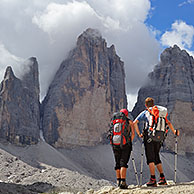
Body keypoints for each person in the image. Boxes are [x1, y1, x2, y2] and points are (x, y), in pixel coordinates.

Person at [133, 97, 180, 186]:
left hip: (149, 137)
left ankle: (153, 179)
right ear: (153, 103)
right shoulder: (160, 112)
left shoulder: (146, 112)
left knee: (150, 158)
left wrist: (139, 134)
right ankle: (162, 178)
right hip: (159, 137)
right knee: (156, 156)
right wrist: (174, 131)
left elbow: (135, 122)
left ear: (146, 105)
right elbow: (168, 123)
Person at [110, 109, 135, 189]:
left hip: (115, 144)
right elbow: (133, 134)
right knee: (123, 162)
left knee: (117, 162)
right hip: (125, 144)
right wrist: (129, 141)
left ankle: (118, 181)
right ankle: (123, 182)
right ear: (126, 115)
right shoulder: (129, 122)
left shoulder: (114, 121)